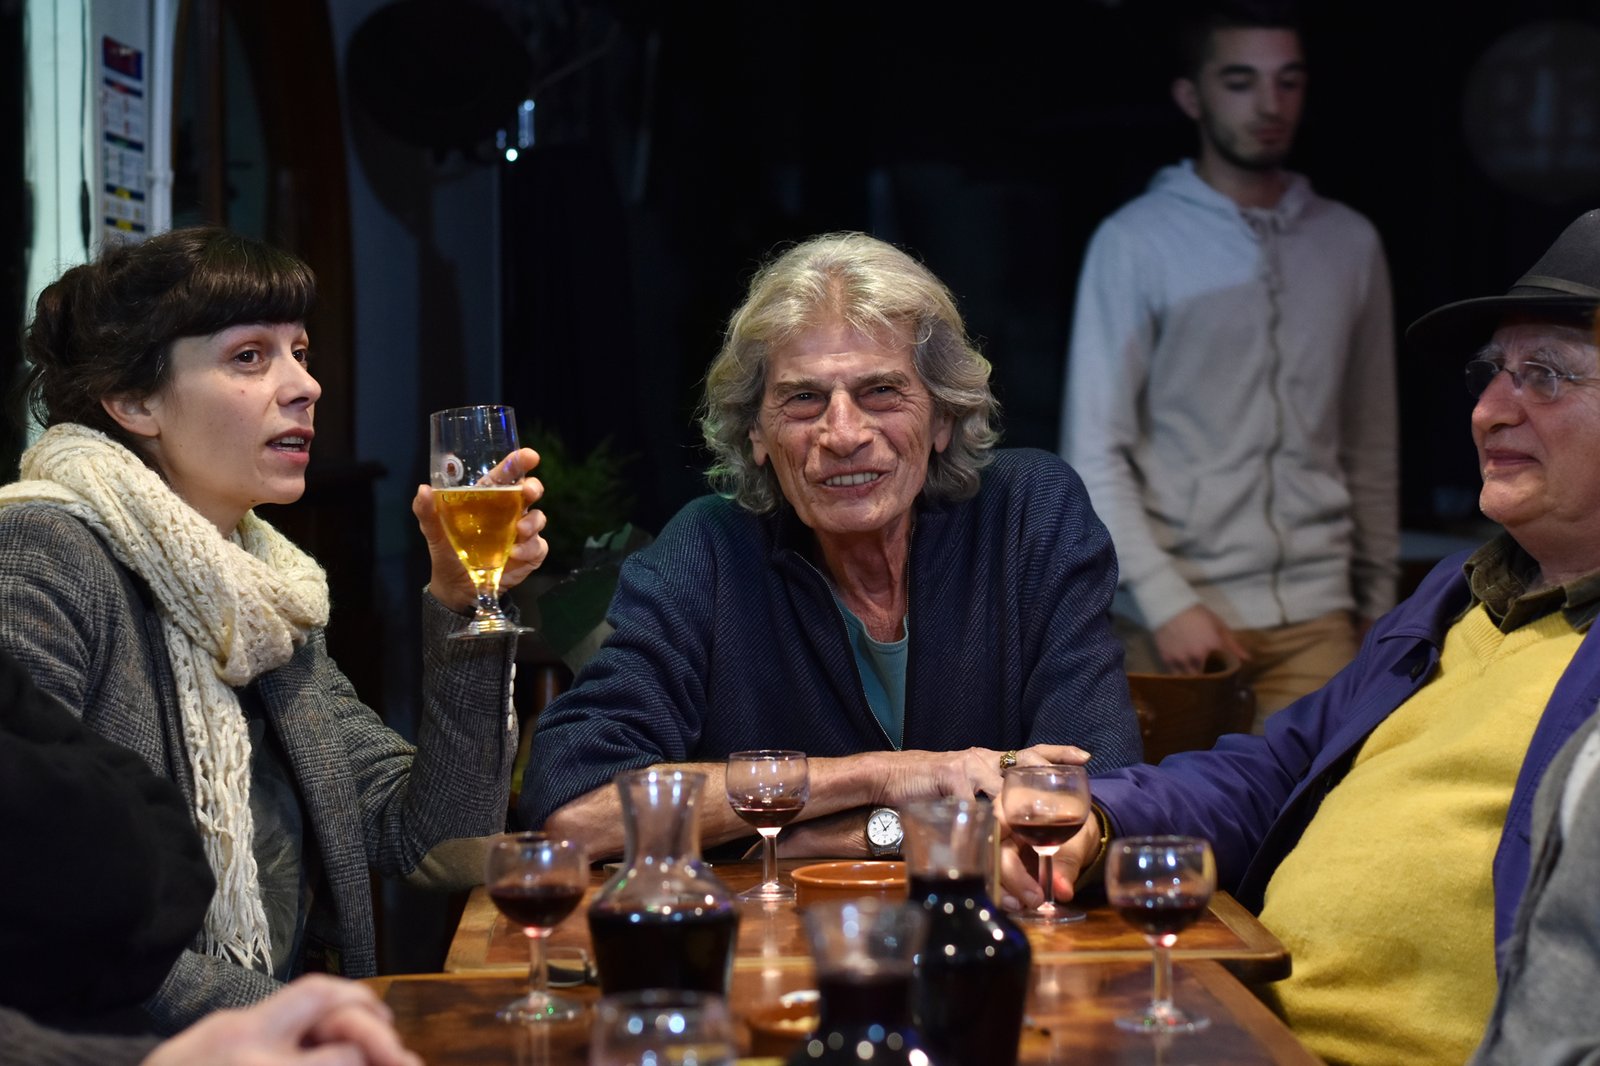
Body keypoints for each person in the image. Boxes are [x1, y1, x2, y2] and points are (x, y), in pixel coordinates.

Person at [1051, 210, 1600, 1066]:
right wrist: (1098, 818)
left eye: (1545, 377)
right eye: (1491, 374)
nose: (1489, 411)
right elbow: (1273, 771)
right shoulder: (1455, 596)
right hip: (1240, 1020)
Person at [0, 227, 547, 1033]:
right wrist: (315, 1018)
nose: (305, 385)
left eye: (301, 351)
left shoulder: (262, 589)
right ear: (133, 401)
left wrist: (464, 603)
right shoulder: (43, 551)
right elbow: (40, 907)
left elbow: (435, 840)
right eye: (250, 357)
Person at [519, 232, 1141, 876]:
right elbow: (575, 810)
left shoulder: (1029, 515)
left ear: (942, 417)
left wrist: (805, 836)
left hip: (1000, 926)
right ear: (756, 432)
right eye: (803, 398)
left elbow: (1096, 790)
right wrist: (882, 777)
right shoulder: (707, 551)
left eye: (881, 392)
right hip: (779, 939)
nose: (842, 434)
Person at [1060, 0, 1399, 724]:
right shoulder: (1136, 242)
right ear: (1193, 96)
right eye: (1241, 81)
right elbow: (1094, 450)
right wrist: (1167, 601)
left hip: (1320, 615)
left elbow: (1370, 438)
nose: (1269, 104)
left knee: (1324, 799)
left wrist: (1377, 601)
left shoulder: (1349, 242)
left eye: (1288, 81)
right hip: (1176, 617)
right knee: (1165, 798)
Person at [0, 643, 419, 1066]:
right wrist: (284, 1017)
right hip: (170, 1040)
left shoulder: (279, 619)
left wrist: (457, 626)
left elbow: (411, 835)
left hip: (290, 1020)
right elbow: (63, 921)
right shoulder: (59, 601)